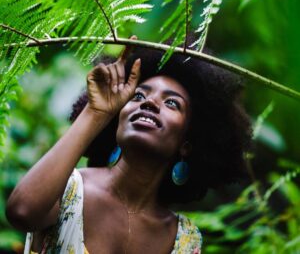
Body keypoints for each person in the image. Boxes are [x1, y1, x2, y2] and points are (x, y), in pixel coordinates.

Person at [6, 38, 252, 254]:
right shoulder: (69, 190)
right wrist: (96, 112)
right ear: (117, 121)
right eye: (138, 96)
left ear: (187, 144)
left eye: (172, 103)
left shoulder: (184, 240)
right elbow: (22, 211)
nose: (150, 102)